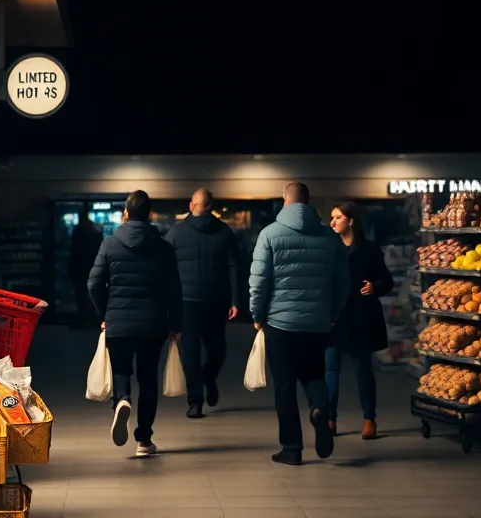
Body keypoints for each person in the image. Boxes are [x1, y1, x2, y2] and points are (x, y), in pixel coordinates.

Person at [249, 181, 350, 465]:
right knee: (314, 375)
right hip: (317, 322)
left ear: (285, 202)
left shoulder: (269, 234)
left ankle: (292, 449)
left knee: (285, 385)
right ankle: (320, 410)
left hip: (280, 324)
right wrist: (331, 315)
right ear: (309, 202)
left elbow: (259, 282)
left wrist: (257, 316)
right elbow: (343, 283)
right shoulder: (330, 238)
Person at [88, 190, 182, 457]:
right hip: (153, 324)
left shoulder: (109, 244)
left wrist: (104, 313)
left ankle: (122, 400)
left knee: (120, 371)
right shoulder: (164, 247)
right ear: (149, 214)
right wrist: (175, 322)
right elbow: (174, 289)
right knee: (148, 378)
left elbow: (93, 283)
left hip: (118, 321)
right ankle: (144, 440)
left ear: (126, 213)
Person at [164, 187, 241, 418]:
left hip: (185, 302)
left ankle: (195, 401)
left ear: (192, 205)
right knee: (218, 349)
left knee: (190, 352)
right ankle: (208, 379)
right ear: (211, 206)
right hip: (216, 301)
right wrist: (236, 300)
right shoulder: (225, 232)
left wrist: (168, 303)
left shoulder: (175, 234)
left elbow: (165, 271)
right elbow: (234, 268)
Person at [325, 201, 394, 440]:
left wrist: (375, 287)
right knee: (330, 369)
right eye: (331, 218)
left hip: (361, 317)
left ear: (351, 220)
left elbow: (387, 280)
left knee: (363, 369)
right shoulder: (329, 249)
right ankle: (330, 418)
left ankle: (369, 419)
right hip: (333, 318)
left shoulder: (369, 249)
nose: (332, 222)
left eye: (337, 217)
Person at [68, 215, 103, 328]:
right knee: (92, 296)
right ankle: (93, 319)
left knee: (81, 296)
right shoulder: (96, 232)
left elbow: (74, 253)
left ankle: (83, 320)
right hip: (93, 269)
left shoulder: (78, 232)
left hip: (80, 270)